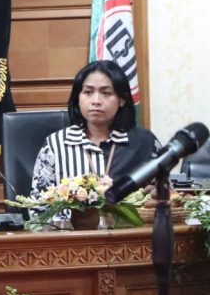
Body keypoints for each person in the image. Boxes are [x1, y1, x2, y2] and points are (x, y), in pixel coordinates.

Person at [31, 60, 157, 196]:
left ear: (122, 99)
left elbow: (166, 195)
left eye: (106, 93)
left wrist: (157, 196)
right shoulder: (55, 144)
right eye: (88, 92)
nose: (96, 101)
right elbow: (38, 202)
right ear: (77, 99)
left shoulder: (145, 142)